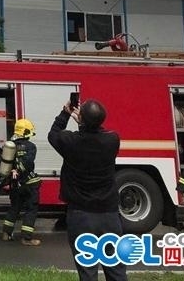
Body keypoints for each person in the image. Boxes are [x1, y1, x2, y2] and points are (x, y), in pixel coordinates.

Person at [48, 99, 127, 281]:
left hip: (81, 215)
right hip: (110, 215)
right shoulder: (112, 140)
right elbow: (97, 133)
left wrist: (65, 113)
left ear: (81, 118)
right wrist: (85, 123)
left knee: (88, 271)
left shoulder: (70, 142)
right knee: (116, 269)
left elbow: (53, 134)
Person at [0, 118, 42, 246]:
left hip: (14, 184)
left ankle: (6, 233)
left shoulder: (10, 146)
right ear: (27, 132)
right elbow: (28, 163)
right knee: (31, 209)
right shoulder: (31, 146)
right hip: (29, 183)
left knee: (14, 208)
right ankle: (26, 238)